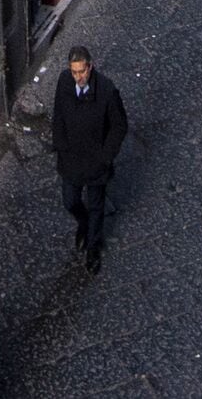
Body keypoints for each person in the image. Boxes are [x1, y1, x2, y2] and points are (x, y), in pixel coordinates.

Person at [51, 45, 131, 271]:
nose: (79, 77)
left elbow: (119, 125)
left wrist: (106, 156)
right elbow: (58, 114)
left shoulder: (106, 90)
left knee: (96, 206)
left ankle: (93, 248)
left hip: (96, 162)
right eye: (75, 72)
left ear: (90, 67)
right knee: (70, 200)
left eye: (82, 71)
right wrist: (60, 144)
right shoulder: (64, 82)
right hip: (72, 159)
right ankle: (83, 223)